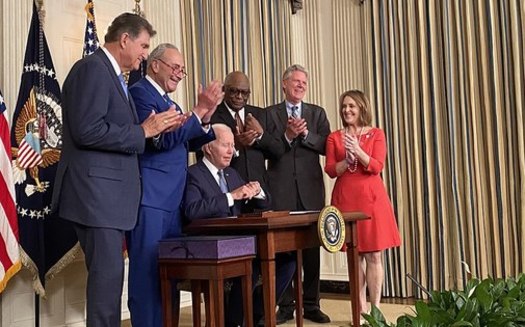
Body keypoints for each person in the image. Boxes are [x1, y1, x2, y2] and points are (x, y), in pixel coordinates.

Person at [52, 13, 184, 326]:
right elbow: (87, 130)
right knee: (105, 290)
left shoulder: (113, 76)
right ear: (124, 39)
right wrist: (143, 131)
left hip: (107, 200)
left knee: (109, 286)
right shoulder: (92, 70)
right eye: (143, 45)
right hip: (96, 198)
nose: (144, 53)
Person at [126, 43, 223, 327]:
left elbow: (188, 140)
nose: (180, 74)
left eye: (183, 70)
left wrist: (204, 117)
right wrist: (198, 109)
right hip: (151, 201)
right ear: (155, 64)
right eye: (175, 67)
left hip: (172, 202)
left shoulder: (173, 103)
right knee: (146, 279)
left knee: (168, 277)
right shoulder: (139, 95)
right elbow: (161, 140)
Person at [184, 124, 295, 327]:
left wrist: (258, 191)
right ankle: (234, 321)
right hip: (211, 242)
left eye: (232, 146)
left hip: (242, 240)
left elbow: (264, 203)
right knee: (250, 264)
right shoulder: (193, 174)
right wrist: (230, 196)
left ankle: (255, 313)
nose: (231, 151)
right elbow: (193, 210)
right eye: (226, 145)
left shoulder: (231, 174)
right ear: (208, 147)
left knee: (288, 261)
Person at [324, 89, 401, 317]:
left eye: (352, 106)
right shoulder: (334, 137)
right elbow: (330, 170)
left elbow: (377, 166)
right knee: (354, 255)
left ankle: (375, 310)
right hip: (346, 199)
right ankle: (360, 309)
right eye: (344, 106)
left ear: (362, 109)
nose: (347, 110)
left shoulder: (376, 134)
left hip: (372, 200)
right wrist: (345, 162)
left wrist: (357, 151)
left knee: (374, 255)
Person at [266, 64, 331, 324]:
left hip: (310, 189)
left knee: (313, 249)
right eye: (296, 81)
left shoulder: (317, 113)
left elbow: (327, 146)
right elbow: (269, 149)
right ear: (284, 84)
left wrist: (305, 134)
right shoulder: (270, 114)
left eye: (304, 82)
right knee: (283, 251)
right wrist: (286, 135)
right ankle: (286, 305)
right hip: (280, 189)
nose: (301, 85)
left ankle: (312, 304)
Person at [209, 71, 281, 187]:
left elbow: (278, 150)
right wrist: (235, 146)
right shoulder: (211, 116)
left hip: (259, 190)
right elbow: (204, 157)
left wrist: (261, 135)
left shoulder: (261, 114)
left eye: (244, 93)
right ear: (224, 90)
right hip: (227, 190)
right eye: (234, 91)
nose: (239, 96)